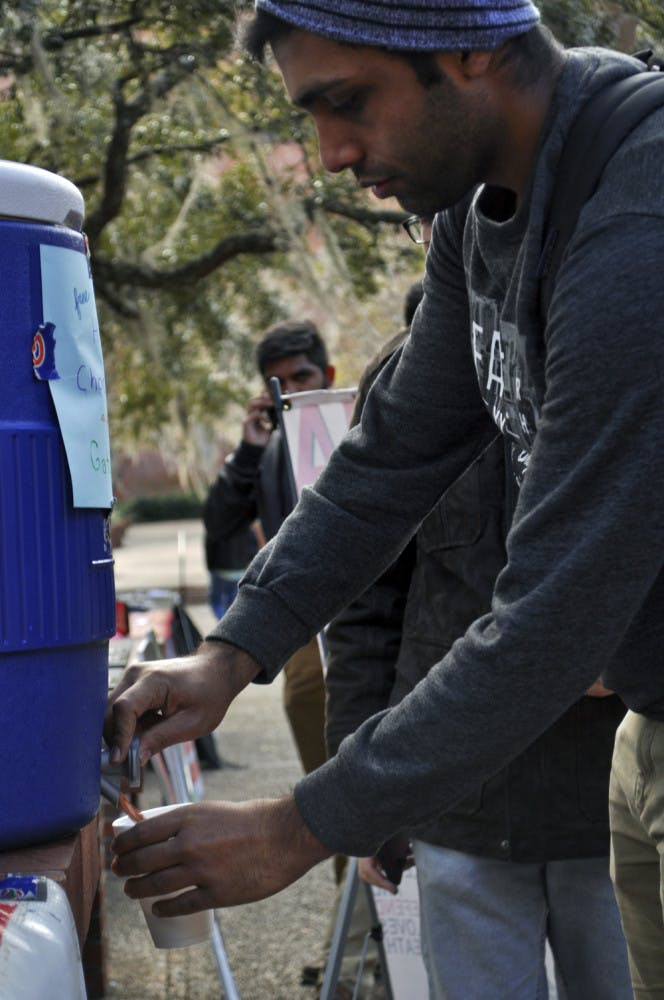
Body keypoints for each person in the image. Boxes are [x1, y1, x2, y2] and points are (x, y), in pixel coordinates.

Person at [106, 5, 664, 994]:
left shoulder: (634, 220)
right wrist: (231, 651)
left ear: (473, 46)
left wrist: (300, 824)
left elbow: (555, 611)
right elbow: (391, 453)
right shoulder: (478, 213)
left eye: (347, 100)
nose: (328, 154)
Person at [325, 261, 630, 997]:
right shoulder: (406, 381)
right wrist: (363, 789)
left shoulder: (629, 343)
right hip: (459, 800)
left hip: (618, 802)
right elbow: (367, 603)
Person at [203, 318, 335, 775]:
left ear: (328, 376)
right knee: (306, 702)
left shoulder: (359, 424)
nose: (292, 390)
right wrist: (248, 452)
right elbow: (219, 522)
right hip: (303, 612)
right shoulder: (266, 449)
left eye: (303, 376)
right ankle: (341, 837)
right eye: (279, 383)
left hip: (372, 602)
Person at [203, 522, 258, 619]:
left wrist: (210, 567)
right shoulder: (244, 522)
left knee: (216, 601)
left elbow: (210, 546)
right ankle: (230, 624)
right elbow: (253, 546)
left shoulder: (215, 523)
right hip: (239, 570)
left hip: (219, 569)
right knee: (234, 602)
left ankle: (223, 624)